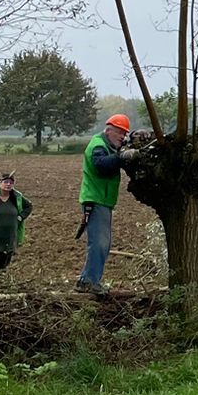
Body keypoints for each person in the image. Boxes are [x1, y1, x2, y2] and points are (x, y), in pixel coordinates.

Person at [78, 113, 135, 295]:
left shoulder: (107, 146)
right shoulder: (98, 146)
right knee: (100, 243)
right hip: (96, 199)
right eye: (120, 133)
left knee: (101, 243)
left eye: (125, 134)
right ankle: (90, 282)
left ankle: (87, 280)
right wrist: (122, 157)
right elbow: (100, 165)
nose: (122, 137)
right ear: (109, 130)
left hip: (101, 200)